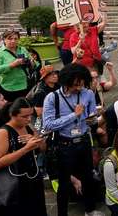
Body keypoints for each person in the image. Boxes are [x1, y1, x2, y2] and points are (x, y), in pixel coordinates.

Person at [41, 63, 100, 216]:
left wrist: (92, 119)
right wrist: (74, 115)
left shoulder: (88, 94)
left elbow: (92, 115)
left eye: (82, 83)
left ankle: (90, 210)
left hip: (84, 140)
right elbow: (48, 125)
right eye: (76, 85)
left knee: (88, 177)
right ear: (67, 82)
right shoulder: (52, 98)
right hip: (65, 144)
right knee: (64, 182)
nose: (79, 87)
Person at [0, 98, 47, 216]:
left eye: (30, 115)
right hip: (13, 186)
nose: (28, 119)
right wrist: (25, 149)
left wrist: (37, 142)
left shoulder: (29, 126)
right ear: (12, 115)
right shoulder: (3, 132)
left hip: (32, 181)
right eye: (24, 116)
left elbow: (43, 149)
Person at [0, 29, 38, 102]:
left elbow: (35, 64)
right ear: (4, 39)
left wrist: (32, 62)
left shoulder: (22, 49)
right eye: (10, 38)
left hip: (25, 84)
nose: (13, 41)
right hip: (9, 87)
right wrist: (12, 65)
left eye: (15, 39)